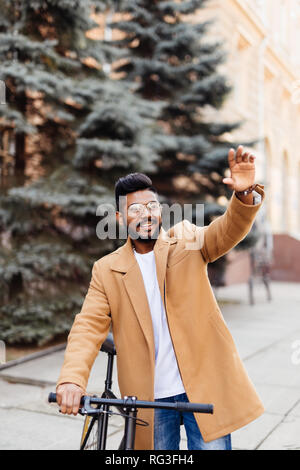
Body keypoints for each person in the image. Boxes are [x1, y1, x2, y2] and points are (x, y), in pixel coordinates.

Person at [56, 145, 265, 450]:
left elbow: (226, 231)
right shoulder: (107, 270)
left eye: (151, 206)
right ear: (119, 217)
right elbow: (87, 328)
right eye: (135, 209)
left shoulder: (187, 240)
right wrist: (72, 380)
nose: (146, 214)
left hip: (204, 388)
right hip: (149, 399)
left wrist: (244, 196)